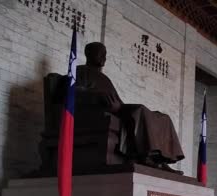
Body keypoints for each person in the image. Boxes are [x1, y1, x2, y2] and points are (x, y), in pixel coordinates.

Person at [75, 42, 185, 174]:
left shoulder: (104, 78)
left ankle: (160, 161)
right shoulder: (81, 71)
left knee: (163, 118)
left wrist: (115, 104)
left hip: (117, 108)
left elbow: (118, 101)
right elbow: (74, 91)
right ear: (89, 54)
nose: (104, 57)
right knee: (140, 110)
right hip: (101, 111)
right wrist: (97, 97)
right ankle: (145, 157)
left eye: (105, 54)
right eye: (101, 53)